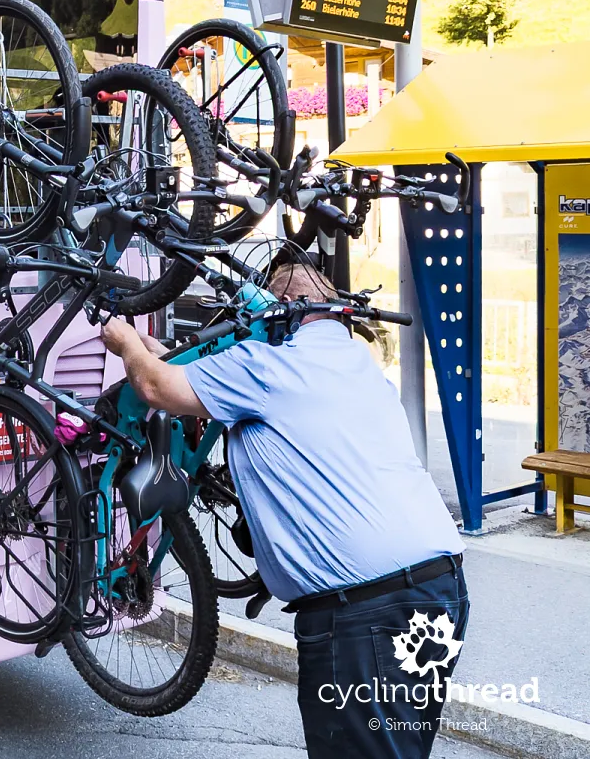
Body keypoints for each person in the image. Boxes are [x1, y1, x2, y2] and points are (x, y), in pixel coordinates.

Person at [99, 262, 467, 759]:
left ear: (273, 316)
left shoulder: (267, 366)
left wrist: (125, 341)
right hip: (438, 590)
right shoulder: (354, 363)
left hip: (364, 616)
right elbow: (193, 375)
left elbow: (157, 388)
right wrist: (153, 352)